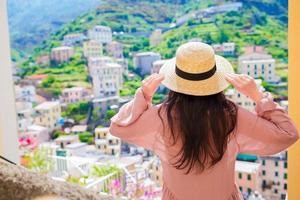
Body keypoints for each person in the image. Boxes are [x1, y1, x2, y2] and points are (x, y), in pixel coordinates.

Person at [109, 42, 299, 200]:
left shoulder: (162, 116)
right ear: (214, 79)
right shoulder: (231, 116)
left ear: (176, 81)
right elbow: (288, 134)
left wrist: (144, 95)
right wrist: (258, 95)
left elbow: (118, 127)